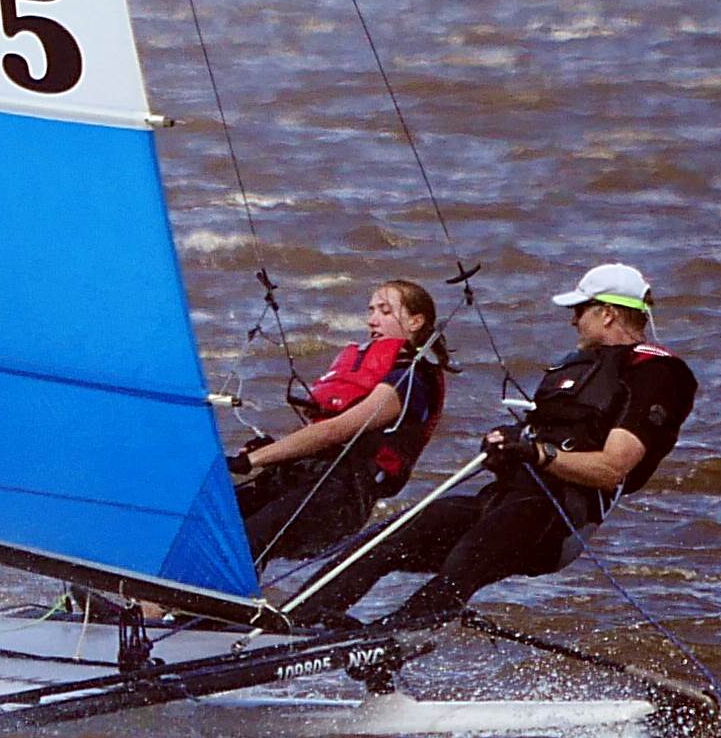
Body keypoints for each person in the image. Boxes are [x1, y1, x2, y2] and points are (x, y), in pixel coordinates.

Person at [295, 262, 696, 631]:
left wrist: (536, 453)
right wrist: (509, 442)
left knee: (466, 560)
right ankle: (289, 623)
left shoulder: (657, 374)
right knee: (387, 539)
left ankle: (389, 645)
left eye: (580, 309)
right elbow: (543, 437)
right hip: (504, 498)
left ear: (607, 313)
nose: (573, 319)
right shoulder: (577, 366)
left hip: (558, 519)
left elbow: (612, 469)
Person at [225, 280, 452, 561]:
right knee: (214, 516)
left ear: (415, 321)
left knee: (245, 541)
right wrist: (271, 453)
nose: (372, 320)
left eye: (385, 311)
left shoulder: (409, 382)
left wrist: (252, 460)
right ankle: (172, 598)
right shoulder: (377, 369)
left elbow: (335, 430)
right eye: (371, 311)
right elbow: (319, 437)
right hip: (309, 480)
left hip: (341, 500)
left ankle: (224, 597)